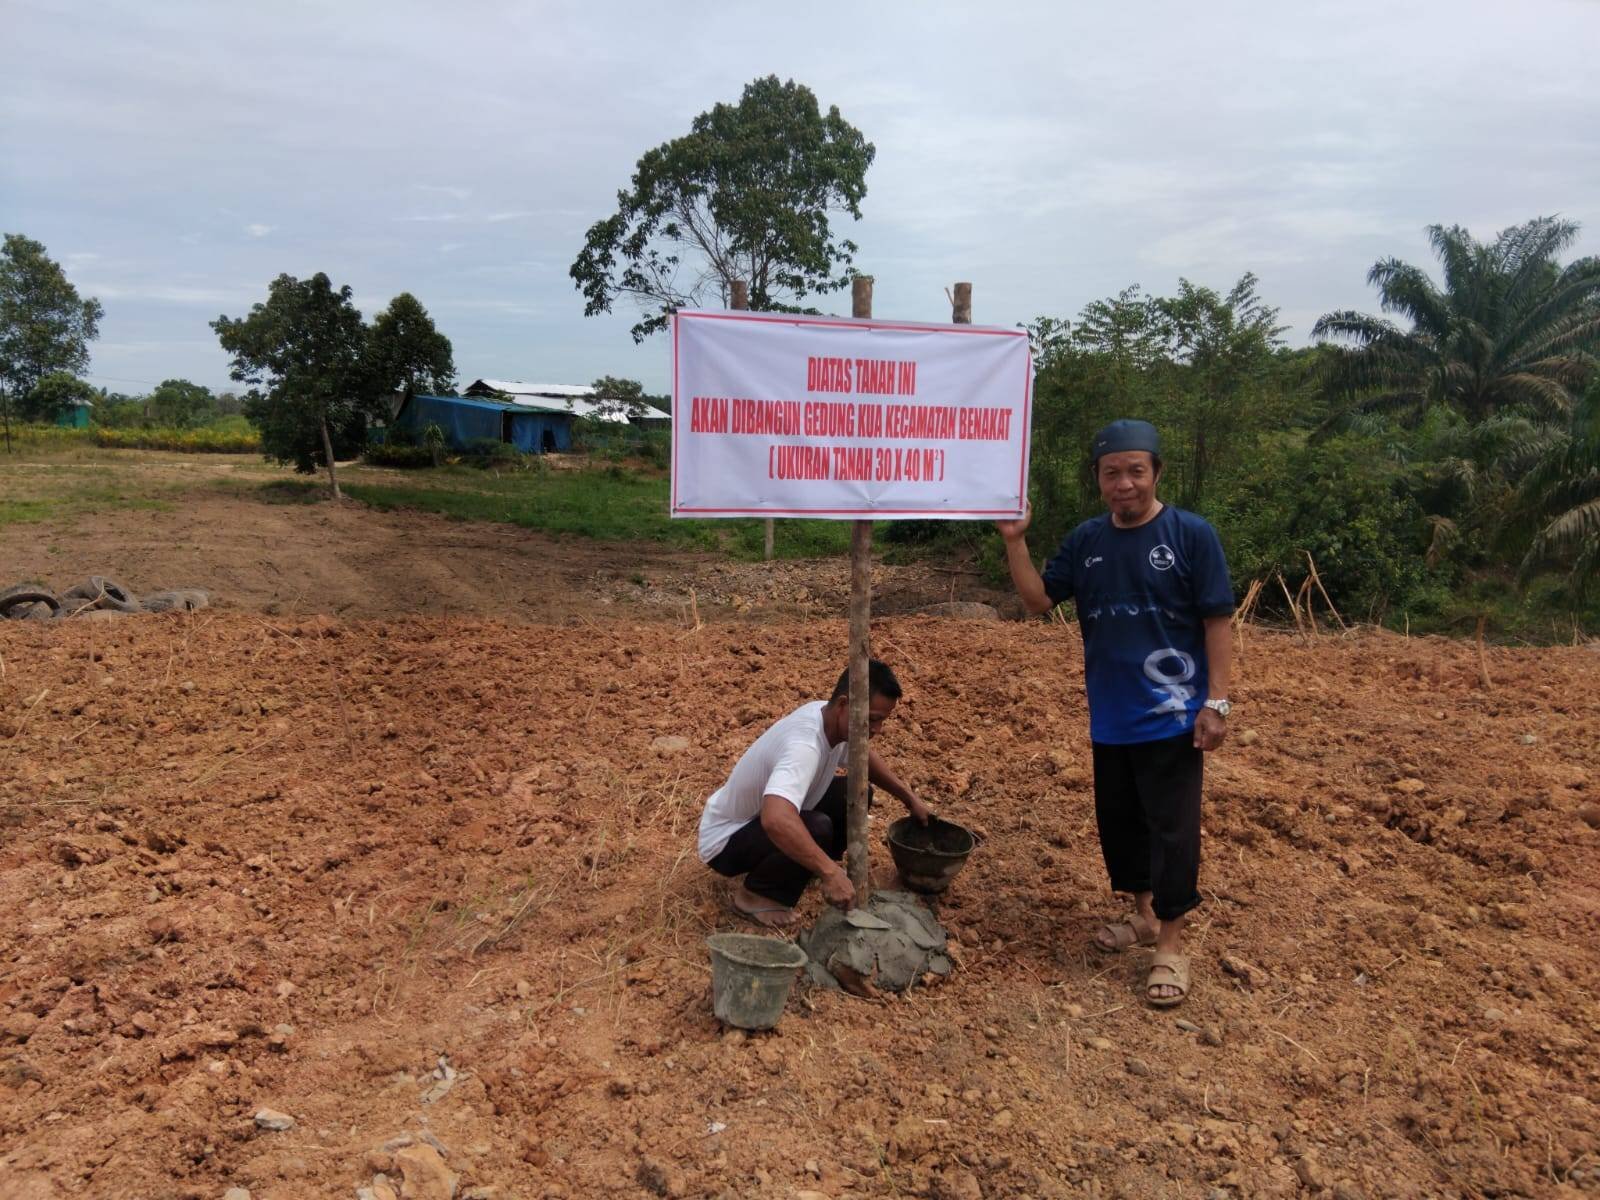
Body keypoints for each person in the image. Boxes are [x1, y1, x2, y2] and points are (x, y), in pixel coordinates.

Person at [996, 419, 1234, 1007]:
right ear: (1098, 479)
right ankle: (1145, 916)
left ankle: (1171, 946)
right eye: (1111, 473)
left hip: (1174, 715)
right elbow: (1037, 601)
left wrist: (1216, 701)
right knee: (1122, 826)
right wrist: (1014, 540)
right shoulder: (1087, 541)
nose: (1124, 483)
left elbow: (1217, 620)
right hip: (1110, 715)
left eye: (1135, 471)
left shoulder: (1191, 535)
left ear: (1156, 473)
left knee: (1172, 831)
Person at [697, 659, 931, 927]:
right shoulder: (804, 747)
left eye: (881, 721)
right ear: (843, 705)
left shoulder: (828, 716)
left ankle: (806, 866)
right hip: (726, 841)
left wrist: (909, 798)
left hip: (759, 823)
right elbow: (775, 819)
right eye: (873, 719)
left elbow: (862, 757)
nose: (877, 730)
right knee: (817, 827)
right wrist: (830, 872)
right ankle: (755, 896)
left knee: (855, 793)